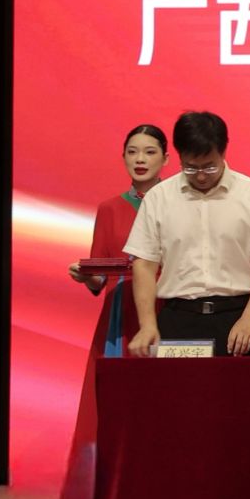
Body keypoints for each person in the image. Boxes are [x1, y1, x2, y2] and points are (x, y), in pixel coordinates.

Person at [124, 111, 250, 357]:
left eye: (209, 166)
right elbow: (144, 264)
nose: (201, 176)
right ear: (179, 156)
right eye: (190, 168)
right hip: (178, 319)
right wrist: (147, 324)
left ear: (223, 152)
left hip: (237, 319)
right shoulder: (159, 198)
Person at [70, 124, 167, 351]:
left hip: (166, 303)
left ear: (166, 158)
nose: (140, 159)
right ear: (123, 157)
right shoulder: (109, 209)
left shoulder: (177, 204)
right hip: (120, 310)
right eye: (132, 152)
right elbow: (99, 278)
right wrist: (85, 276)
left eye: (150, 152)